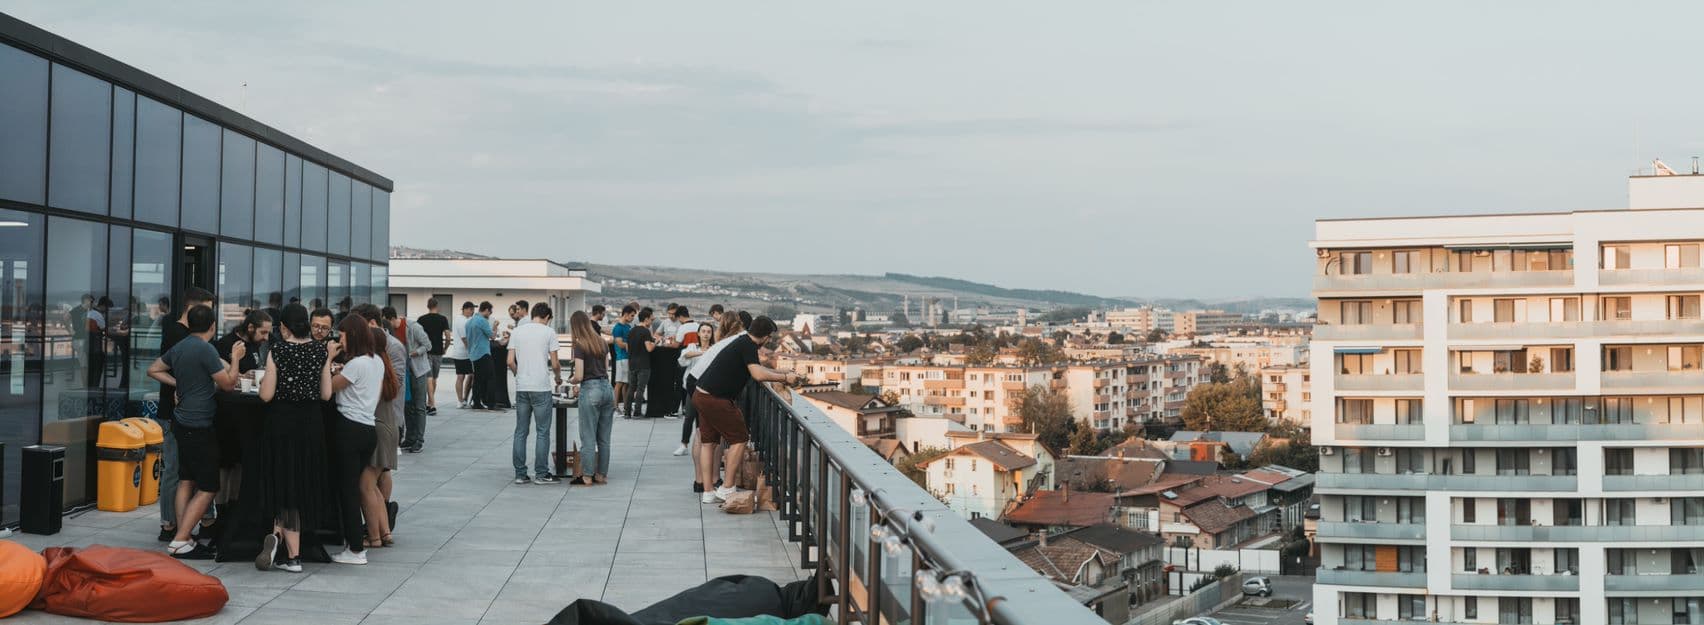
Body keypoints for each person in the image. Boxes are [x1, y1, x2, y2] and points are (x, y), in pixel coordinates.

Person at [147, 305, 243, 559]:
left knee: (186, 480)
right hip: (199, 424)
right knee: (209, 486)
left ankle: (184, 535)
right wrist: (235, 358)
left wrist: (180, 384)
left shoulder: (180, 347)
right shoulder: (205, 349)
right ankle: (180, 539)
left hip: (181, 422)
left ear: (189, 325)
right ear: (212, 326)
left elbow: (153, 369)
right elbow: (229, 384)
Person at [693, 316, 801, 505]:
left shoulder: (742, 341)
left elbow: (756, 368)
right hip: (716, 398)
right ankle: (727, 488)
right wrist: (785, 377)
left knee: (708, 442)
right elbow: (757, 374)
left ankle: (708, 492)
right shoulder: (748, 345)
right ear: (766, 337)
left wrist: (781, 375)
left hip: (701, 394)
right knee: (740, 438)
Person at [254, 304, 329, 573]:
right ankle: (280, 538)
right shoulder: (321, 350)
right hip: (310, 423)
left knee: (285, 483)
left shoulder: (278, 350)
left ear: (284, 327)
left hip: (282, 422)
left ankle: (293, 555)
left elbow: (265, 395)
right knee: (298, 483)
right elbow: (326, 394)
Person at [321, 314, 396, 565]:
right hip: (367, 429)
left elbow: (328, 389)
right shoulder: (376, 362)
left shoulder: (355, 364)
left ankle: (355, 549)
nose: (338, 338)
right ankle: (356, 545)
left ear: (351, 335)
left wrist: (329, 358)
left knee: (349, 491)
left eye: (341, 334)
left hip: (349, 428)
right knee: (355, 486)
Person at [154, 287, 213, 542]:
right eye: (206, 308)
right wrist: (178, 383)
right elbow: (158, 368)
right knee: (176, 471)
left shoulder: (186, 334)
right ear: (192, 308)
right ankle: (170, 525)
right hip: (174, 413)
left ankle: (182, 525)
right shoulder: (178, 334)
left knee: (184, 472)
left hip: (181, 412)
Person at [684, 313, 747, 491]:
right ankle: (712, 479)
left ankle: (700, 481)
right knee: (709, 436)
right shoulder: (739, 341)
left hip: (695, 382)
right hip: (703, 386)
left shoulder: (725, 342)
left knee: (703, 434)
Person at [357, 305, 401, 546]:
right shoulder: (385, 367)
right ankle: (385, 533)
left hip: (378, 430)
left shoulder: (372, 368)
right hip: (388, 428)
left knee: (365, 485)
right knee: (373, 486)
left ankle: (373, 536)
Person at [508, 303, 562, 485]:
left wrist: (518, 373)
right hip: (541, 387)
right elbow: (555, 364)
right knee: (542, 432)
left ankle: (520, 474)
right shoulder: (549, 332)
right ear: (547, 316)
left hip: (522, 387)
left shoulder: (517, 331)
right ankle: (541, 474)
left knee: (521, 431)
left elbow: (510, 361)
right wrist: (558, 377)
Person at [568, 311, 614, 486]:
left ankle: (586, 476)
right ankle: (601, 475)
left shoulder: (580, 345)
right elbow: (606, 368)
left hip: (590, 389)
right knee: (604, 438)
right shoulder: (602, 342)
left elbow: (579, 375)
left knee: (588, 436)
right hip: (606, 389)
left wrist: (570, 380)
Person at [674, 321, 716, 457]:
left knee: (703, 418)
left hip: (708, 388)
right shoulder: (692, 346)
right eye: (703, 331)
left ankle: (703, 444)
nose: (706, 334)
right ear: (698, 333)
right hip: (693, 387)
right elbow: (683, 358)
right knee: (689, 416)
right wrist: (700, 353)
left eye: (708, 332)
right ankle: (684, 444)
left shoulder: (714, 348)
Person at [396, 308, 432, 453]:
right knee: (407, 404)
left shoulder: (413, 327)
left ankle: (419, 439)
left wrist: (414, 353)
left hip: (418, 370)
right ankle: (409, 437)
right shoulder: (390, 331)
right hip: (403, 371)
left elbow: (428, 345)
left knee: (419, 406)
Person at [415, 299, 450, 416]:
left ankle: (430, 404)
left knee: (428, 378)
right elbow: (448, 336)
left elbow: (417, 335)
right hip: (438, 352)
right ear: (437, 306)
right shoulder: (443, 319)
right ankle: (431, 403)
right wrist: (445, 348)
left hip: (426, 352)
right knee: (433, 378)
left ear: (427, 306)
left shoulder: (421, 319)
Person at [215, 309, 272, 373]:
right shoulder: (225, 343)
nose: (266, 338)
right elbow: (220, 374)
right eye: (263, 332)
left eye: (268, 333)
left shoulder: (255, 342)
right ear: (251, 327)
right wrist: (243, 377)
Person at [624, 308, 656, 418]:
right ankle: (637, 412)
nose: (651, 322)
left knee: (631, 388)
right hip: (643, 364)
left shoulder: (631, 331)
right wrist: (655, 342)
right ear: (646, 319)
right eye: (651, 320)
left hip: (632, 363)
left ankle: (627, 412)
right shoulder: (645, 331)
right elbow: (649, 349)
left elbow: (628, 349)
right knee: (640, 389)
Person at [467, 302, 496, 410]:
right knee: (491, 378)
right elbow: (492, 336)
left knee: (478, 379)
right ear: (487, 310)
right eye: (490, 311)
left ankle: (477, 402)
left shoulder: (469, 322)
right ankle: (491, 403)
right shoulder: (482, 321)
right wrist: (495, 326)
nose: (490, 314)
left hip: (473, 354)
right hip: (483, 353)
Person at [488, 304, 515, 410]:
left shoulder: (521, 323)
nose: (511, 316)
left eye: (512, 314)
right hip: (501, 353)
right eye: (510, 314)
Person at [449, 301, 475, 408]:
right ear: (466, 309)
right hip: (464, 353)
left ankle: (461, 400)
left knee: (461, 376)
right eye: (471, 310)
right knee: (469, 376)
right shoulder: (463, 321)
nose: (473, 312)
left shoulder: (457, 319)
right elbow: (465, 338)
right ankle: (464, 400)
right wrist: (471, 351)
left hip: (457, 352)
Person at [610, 305, 634, 415]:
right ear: (626, 314)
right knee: (619, 383)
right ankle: (615, 406)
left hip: (627, 358)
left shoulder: (628, 327)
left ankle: (625, 405)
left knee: (626, 383)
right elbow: (619, 343)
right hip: (621, 358)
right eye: (632, 315)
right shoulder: (618, 328)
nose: (633, 318)